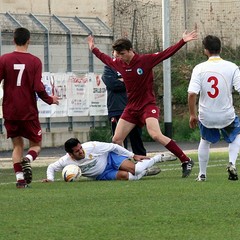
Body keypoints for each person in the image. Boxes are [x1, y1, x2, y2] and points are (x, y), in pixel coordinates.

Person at [87, 29, 197, 178]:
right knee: (116, 139)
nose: (119, 57)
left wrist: (182, 41)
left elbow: (166, 53)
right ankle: (130, 167)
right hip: (131, 108)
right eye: (117, 55)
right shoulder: (119, 63)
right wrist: (93, 48)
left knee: (155, 134)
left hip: (147, 105)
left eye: (122, 54)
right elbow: (105, 58)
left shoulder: (145, 60)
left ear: (130, 50)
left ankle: (186, 160)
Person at [0, 27, 59, 188]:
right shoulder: (34, 61)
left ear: (13, 40)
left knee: (17, 145)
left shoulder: (4, 59)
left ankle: (20, 180)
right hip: (28, 110)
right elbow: (38, 87)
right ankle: (28, 159)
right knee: (36, 145)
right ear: (29, 41)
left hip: (10, 110)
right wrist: (50, 100)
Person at [188, 35, 240, 181]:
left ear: (205, 50)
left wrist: (192, 114)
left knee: (205, 140)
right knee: (236, 135)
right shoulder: (232, 67)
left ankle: (202, 174)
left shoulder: (199, 68)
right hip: (226, 114)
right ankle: (232, 163)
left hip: (206, 115)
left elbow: (192, 94)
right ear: (221, 49)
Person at [42, 138, 175, 182]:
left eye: (80, 148)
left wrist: (132, 155)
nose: (81, 151)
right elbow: (51, 167)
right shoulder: (66, 161)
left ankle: (159, 157)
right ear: (70, 154)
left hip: (110, 158)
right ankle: (145, 173)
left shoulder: (92, 146)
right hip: (102, 174)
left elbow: (114, 146)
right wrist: (50, 179)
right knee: (128, 177)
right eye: (77, 151)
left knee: (137, 169)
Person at [101, 64, 146, 155]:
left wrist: (122, 80)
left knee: (137, 138)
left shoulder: (133, 66)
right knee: (118, 140)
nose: (118, 55)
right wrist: (129, 81)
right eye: (116, 52)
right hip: (116, 108)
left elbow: (140, 82)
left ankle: (143, 163)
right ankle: (122, 163)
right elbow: (112, 84)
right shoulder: (109, 67)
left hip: (134, 108)